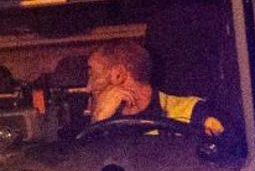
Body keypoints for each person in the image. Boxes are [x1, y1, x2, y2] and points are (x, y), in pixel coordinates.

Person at [85, 40, 224, 137]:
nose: (88, 88)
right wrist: (99, 121)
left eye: (93, 75)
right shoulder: (96, 124)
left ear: (118, 75)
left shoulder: (193, 113)